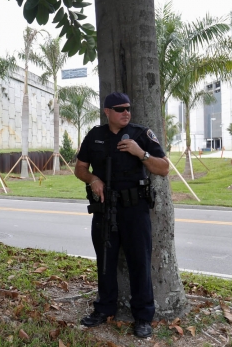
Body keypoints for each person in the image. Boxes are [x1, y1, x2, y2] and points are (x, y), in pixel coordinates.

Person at [74, 92, 169, 338]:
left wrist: (141, 153)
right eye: (119, 109)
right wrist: (93, 178)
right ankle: (104, 309)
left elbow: (164, 168)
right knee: (105, 262)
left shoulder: (141, 134)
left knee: (140, 262)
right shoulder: (95, 136)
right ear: (107, 112)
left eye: (128, 108)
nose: (125, 112)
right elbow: (80, 168)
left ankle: (143, 317)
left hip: (135, 209)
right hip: (105, 208)